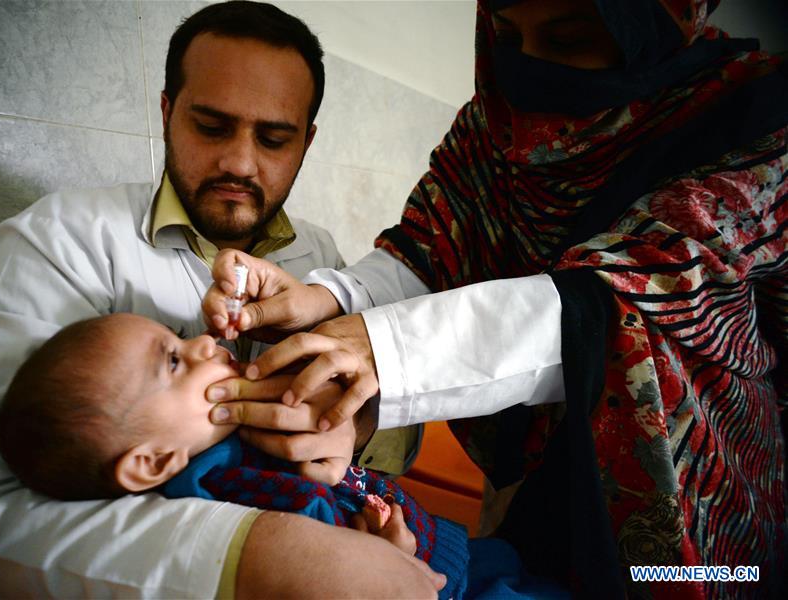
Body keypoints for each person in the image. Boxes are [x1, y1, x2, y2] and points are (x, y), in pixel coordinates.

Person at [202, 0, 788, 598]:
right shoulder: (491, 127)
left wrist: (380, 350)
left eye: (569, 35)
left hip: (699, 496)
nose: (531, 67)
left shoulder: (759, 113)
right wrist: (331, 296)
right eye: (507, 36)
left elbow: (639, 284)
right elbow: (429, 249)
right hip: (525, 487)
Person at [0, 2, 443, 597]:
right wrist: (264, 555)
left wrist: (350, 426)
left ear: (307, 142)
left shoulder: (319, 256)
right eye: (211, 126)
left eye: (274, 138)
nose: (238, 161)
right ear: (167, 112)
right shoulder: (54, 243)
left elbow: (391, 428)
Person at [0, 312, 471, 600]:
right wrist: (390, 557)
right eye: (175, 360)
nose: (205, 342)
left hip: (447, 545)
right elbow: (345, 566)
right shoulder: (227, 488)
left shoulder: (233, 433)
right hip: (437, 579)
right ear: (154, 462)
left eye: (178, 338)